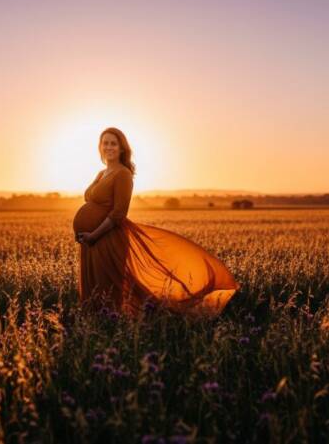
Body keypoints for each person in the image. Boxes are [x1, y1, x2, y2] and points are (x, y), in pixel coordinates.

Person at [72, 127, 240, 318]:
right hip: (91, 241)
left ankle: (120, 325)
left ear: (121, 148)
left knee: (107, 289)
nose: (108, 147)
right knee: (93, 290)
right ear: (100, 147)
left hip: (106, 238)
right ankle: (94, 324)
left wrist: (94, 235)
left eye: (113, 143)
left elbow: (119, 213)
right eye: (105, 143)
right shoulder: (102, 173)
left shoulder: (123, 174)